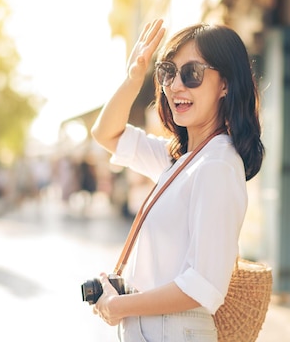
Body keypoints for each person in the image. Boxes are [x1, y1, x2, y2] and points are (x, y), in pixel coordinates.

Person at [89, 18, 264, 341]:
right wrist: (133, 79)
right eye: (169, 72)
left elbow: (203, 285)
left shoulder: (217, 165)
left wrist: (121, 306)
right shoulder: (181, 161)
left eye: (192, 74)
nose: (176, 86)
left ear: (225, 84)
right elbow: (106, 134)